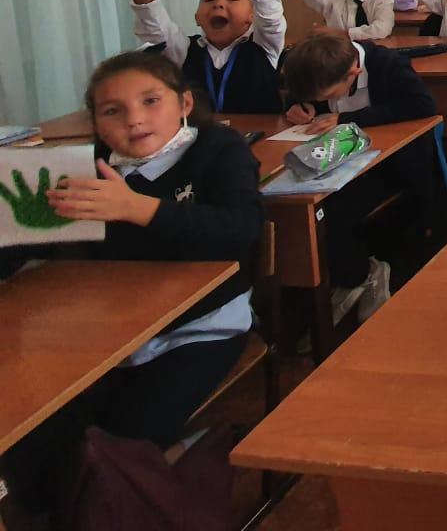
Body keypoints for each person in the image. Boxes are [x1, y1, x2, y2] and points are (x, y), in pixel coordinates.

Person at [12, 52, 263, 455]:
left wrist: (137, 208)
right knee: (36, 432)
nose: (134, 119)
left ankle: (176, 461)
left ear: (184, 103)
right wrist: (13, 226)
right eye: (113, 111)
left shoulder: (219, 149)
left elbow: (240, 231)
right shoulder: (85, 168)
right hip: (108, 335)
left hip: (200, 328)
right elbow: (30, 243)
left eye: (151, 101)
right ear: (95, 123)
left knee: (128, 435)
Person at [279, 34, 447, 323]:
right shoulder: (319, 68)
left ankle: (362, 275)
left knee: (330, 211)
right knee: (297, 207)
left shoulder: (387, 64)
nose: (325, 102)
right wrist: (298, 107)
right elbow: (302, 92)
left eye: (328, 96)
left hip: (390, 164)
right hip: (334, 161)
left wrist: (348, 119)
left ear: (353, 73)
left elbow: (422, 105)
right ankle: (337, 279)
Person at [130, 0, 286, 115]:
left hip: (261, 130)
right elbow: (154, 26)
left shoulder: (264, 45)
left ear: (253, 16)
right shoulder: (184, 49)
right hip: (201, 130)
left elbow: (270, 17)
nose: (218, 4)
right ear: (197, 17)